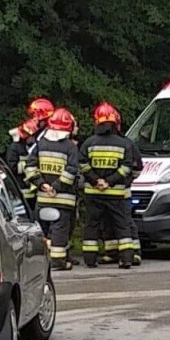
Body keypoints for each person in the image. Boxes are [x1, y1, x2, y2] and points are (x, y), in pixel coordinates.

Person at [78, 103, 141, 270]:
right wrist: (110, 182)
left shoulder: (88, 143)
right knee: (122, 225)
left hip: (93, 192)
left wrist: (95, 181)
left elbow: (82, 164)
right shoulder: (124, 143)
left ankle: (90, 260)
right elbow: (127, 167)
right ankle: (126, 259)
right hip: (116, 192)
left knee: (92, 225)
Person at [30, 107, 81, 269]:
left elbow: (30, 166)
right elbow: (71, 170)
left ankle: (40, 261)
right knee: (59, 231)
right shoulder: (70, 147)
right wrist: (56, 187)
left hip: (42, 199)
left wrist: (42, 184)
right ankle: (58, 261)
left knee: (43, 232)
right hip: (63, 201)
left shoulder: (40, 144)